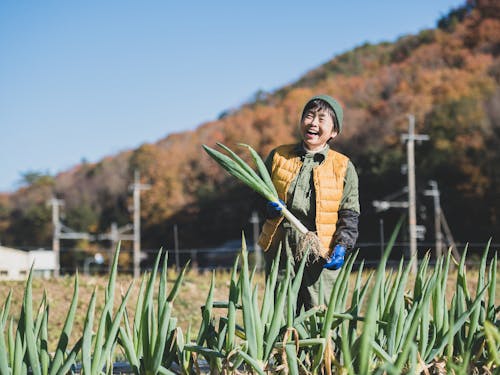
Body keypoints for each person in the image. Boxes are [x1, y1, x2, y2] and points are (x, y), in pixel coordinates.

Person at [258, 94, 359, 311]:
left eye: (322, 119)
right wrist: (268, 210)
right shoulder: (278, 157)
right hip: (282, 246)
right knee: (282, 311)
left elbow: (349, 214)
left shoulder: (343, 166)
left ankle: (324, 347)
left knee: (320, 312)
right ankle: (284, 346)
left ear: (334, 132)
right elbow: (257, 195)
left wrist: (342, 246)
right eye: (309, 116)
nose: (313, 122)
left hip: (321, 248)